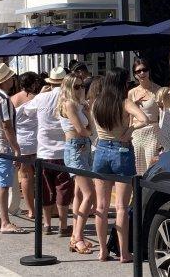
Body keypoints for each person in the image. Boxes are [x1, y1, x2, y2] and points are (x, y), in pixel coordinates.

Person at [92, 67, 152, 263]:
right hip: (122, 150)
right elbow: (145, 119)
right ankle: (124, 252)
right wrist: (130, 129)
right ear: (122, 83)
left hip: (101, 150)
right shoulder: (124, 102)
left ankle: (102, 250)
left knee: (100, 206)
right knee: (121, 208)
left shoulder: (97, 103)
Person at [24, 66, 72, 237]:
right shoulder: (68, 97)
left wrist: (39, 95)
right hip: (63, 151)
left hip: (44, 151)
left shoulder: (42, 97)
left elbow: (26, 111)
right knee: (63, 189)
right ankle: (63, 225)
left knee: (45, 189)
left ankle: (47, 224)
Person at [0, 63, 26, 234]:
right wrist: (16, 148)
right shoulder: (4, 100)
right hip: (3, 146)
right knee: (3, 185)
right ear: (6, 80)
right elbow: (7, 126)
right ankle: (5, 221)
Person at [58, 74, 94, 254]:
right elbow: (82, 130)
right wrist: (88, 130)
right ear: (68, 87)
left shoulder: (79, 105)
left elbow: (90, 129)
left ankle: (76, 235)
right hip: (75, 148)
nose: (80, 89)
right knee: (89, 194)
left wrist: (87, 113)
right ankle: (78, 237)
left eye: (82, 86)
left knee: (79, 194)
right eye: (76, 87)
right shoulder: (69, 104)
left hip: (84, 147)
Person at [12, 72, 42, 220]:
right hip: (37, 141)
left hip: (20, 142)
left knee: (25, 177)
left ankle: (31, 210)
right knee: (42, 175)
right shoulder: (37, 98)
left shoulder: (12, 99)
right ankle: (48, 206)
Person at [128, 58, 164, 172]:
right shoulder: (131, 92)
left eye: (144, 70)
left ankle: (150, 190)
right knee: (137, 166)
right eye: (138, 71)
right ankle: (139, 190)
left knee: (152, 166)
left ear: (149, 71)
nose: (142, 73)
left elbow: (163, 114)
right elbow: (130, 115)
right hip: (136, 133)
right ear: (135, 75)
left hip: (153, 132)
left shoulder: (158, 90)